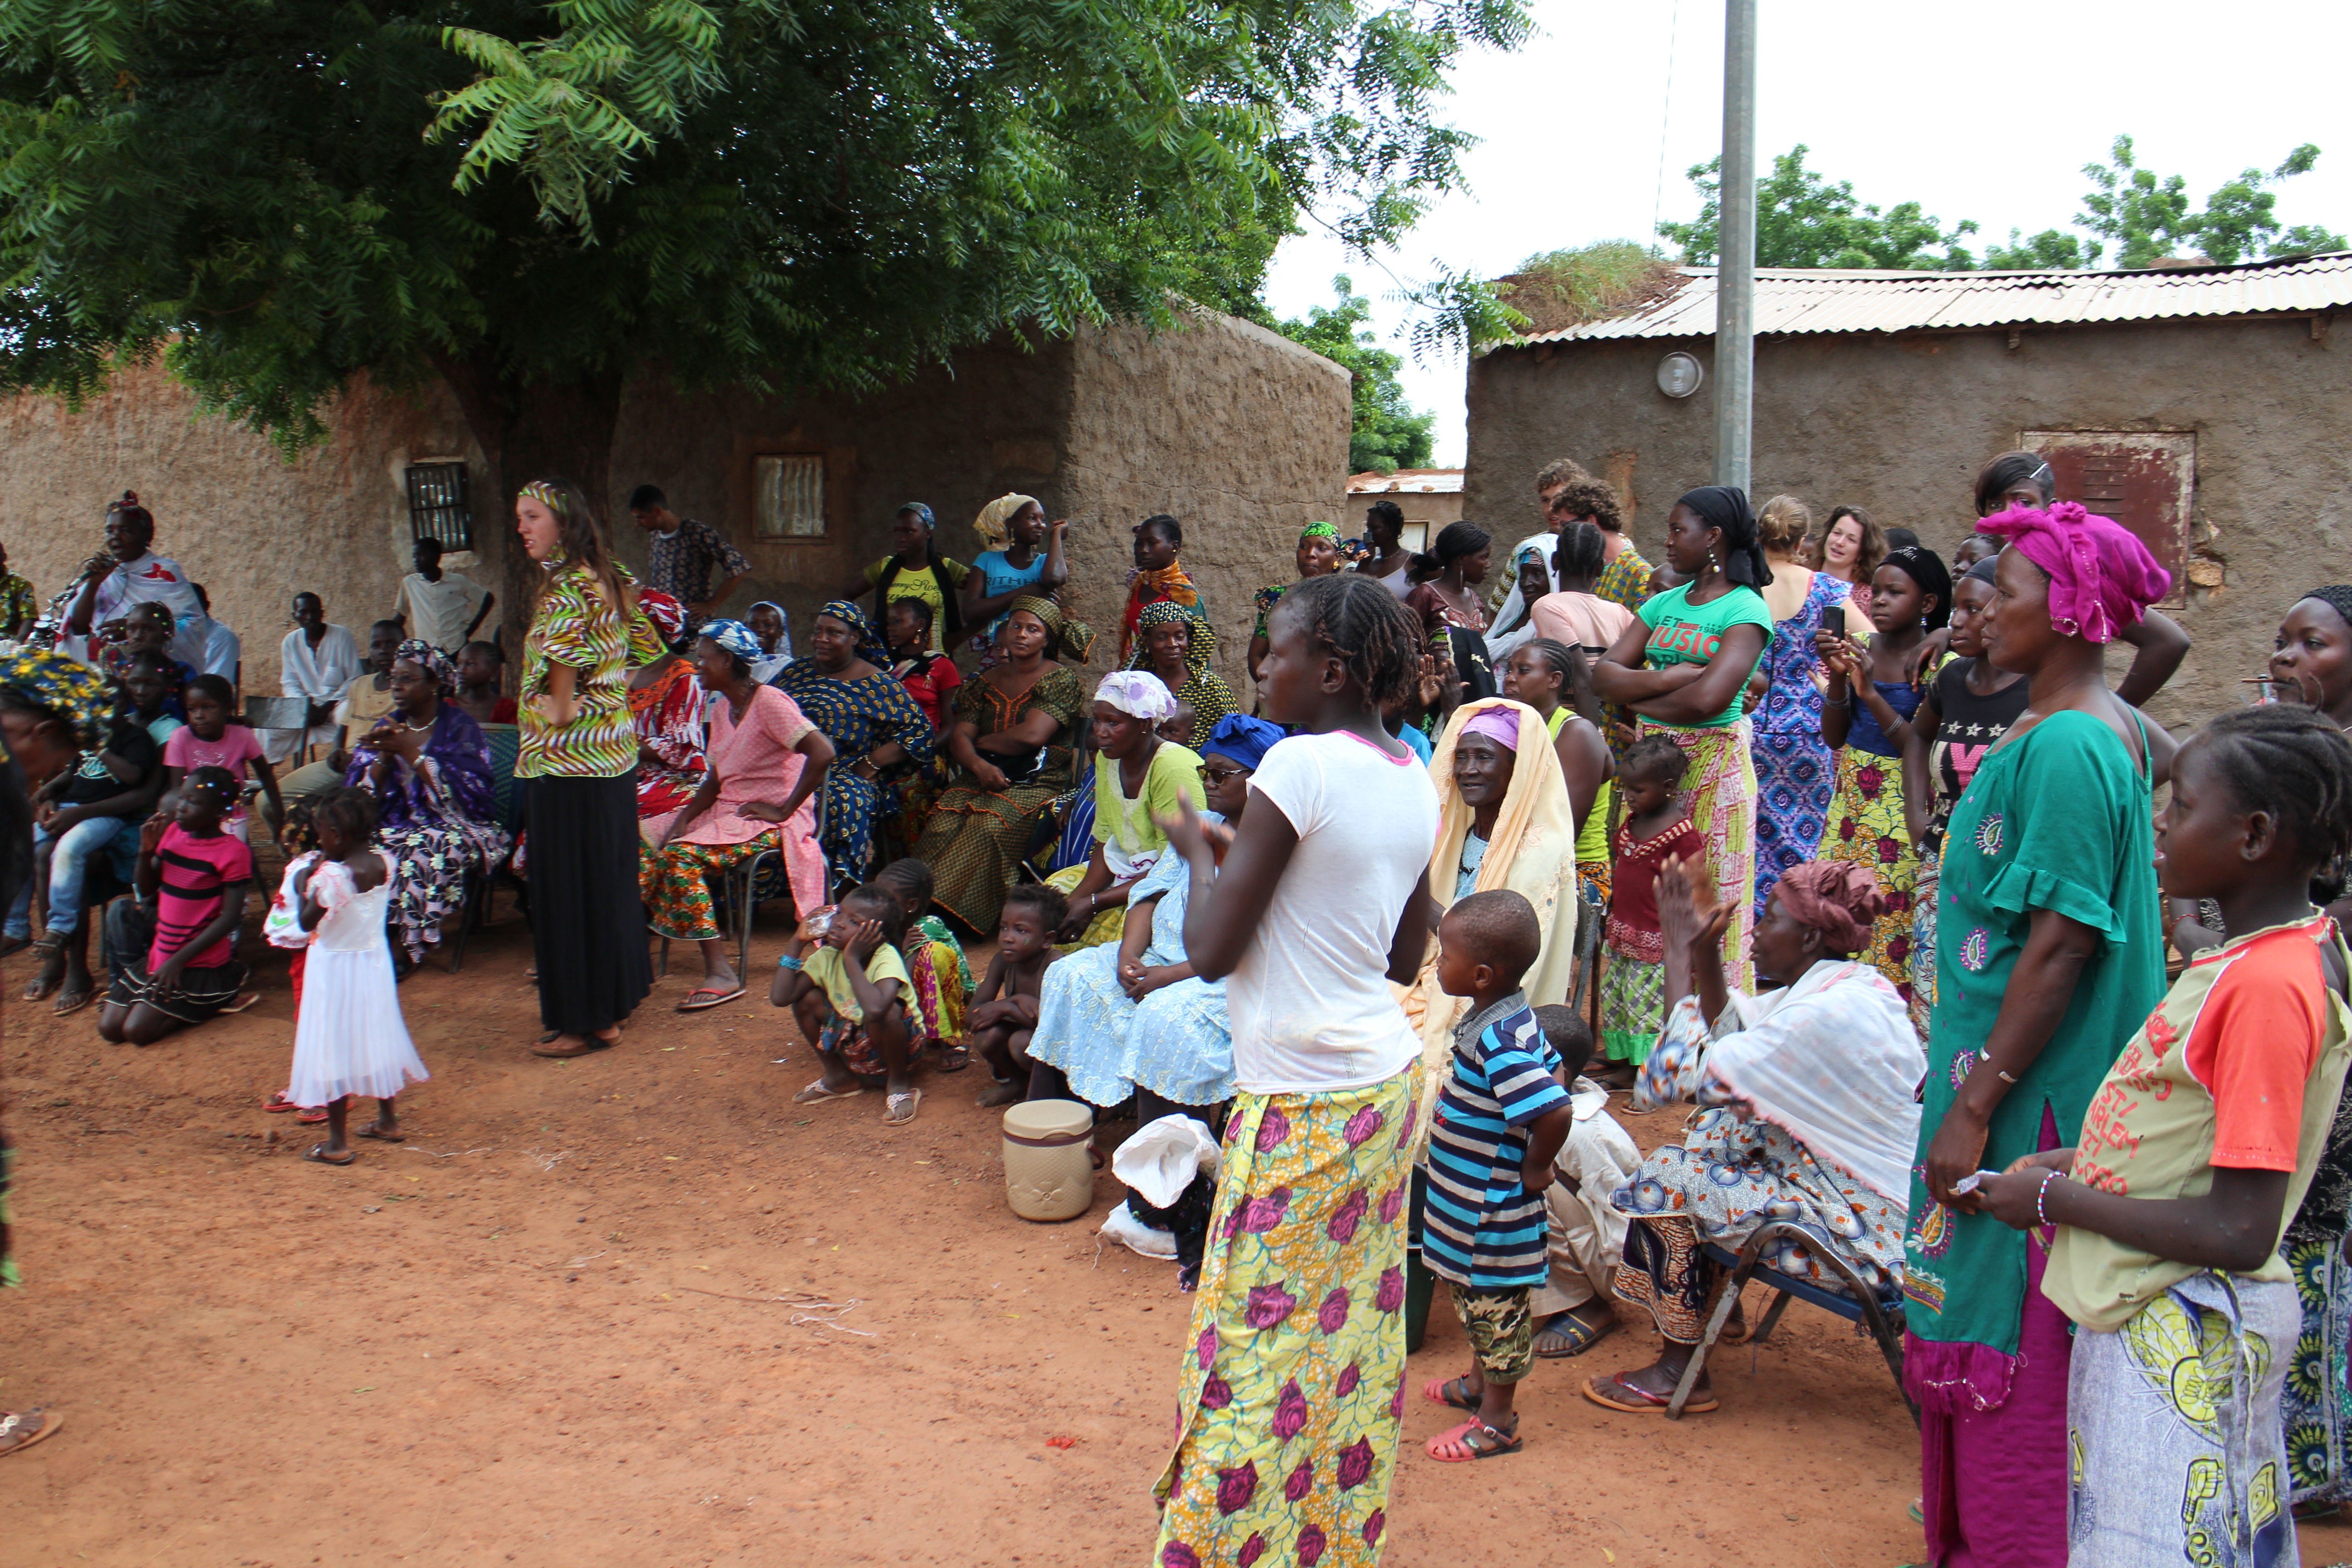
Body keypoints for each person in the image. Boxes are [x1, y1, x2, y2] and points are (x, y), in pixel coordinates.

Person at [1974, 704, 2352, 1564]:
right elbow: (2210, 1136)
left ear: (2252, 835)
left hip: (2181, 1322)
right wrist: (2093, 1159)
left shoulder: (2264, 989)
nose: (2160, 820)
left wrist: (2049, 1196)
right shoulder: (2284, 951)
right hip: (2169, 1311)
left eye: (2181, 805)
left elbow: (2237, 1226)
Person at [1149, 572, 1440, 1567]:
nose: (1261, 666)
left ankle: (1212, 1548)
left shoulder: (1299, 768)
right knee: (1345, 1338)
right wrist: (1250, 866)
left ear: (1332, 669)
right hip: (1384, 1086)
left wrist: (1197, 852)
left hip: (1308, 1102)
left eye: (1274, 651)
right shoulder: (1410, 772)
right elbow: (1402, 955)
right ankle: (1327, 1536)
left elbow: (1215, 950)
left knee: (1253, 1342)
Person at [1905, 500, 2173, 1568]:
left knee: (2013, 1330)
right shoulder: (2077, 727)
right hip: (1997, 1071)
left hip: (2025, 1094)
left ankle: (2007, 1544)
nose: (1979, 610)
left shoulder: (2069, 744)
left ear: (2065, 613)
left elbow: (2059, 946)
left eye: (2003, 593)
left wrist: (1976, 1107)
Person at [1585, 855, 1922, 1415]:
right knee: (1721, 1128)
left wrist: (1676, 949)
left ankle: (1679, 1372)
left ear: (1811, 935)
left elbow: (1668, 1080)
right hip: (1878, 1208)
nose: (1758, 933)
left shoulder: (1822, 1015)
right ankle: (1714, 1301)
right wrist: (1704, 951)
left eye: (1770, 920)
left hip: (1874, 1242)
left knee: (1669, 1175)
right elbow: (1734, 1037)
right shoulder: (1854, 986)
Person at [1023, 713, 1276, 1118]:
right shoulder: (1203, 823)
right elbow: (1147, 894)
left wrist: (1166, 977)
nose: (1208, 783)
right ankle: (1057, 1123)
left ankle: (1168, 1151)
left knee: (1165, 1017)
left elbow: (1249, 947)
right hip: (1157, 958)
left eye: (1221, 775)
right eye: (1205, 772)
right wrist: (1129, 955)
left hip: (1221, 978)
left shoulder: (1270, 848)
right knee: (1069, 975)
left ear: (1261, 781)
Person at [1412, 889, 1576, 1461]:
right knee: (1476, 1305)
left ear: (1480, 975)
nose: (1438, 965)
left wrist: (1535, 1167)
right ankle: (1479, 1386)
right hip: (1471, 1209)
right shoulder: (1501, 1019)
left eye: (1445, 958)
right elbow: (1554, 1071)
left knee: (1496, 1314)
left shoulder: (1499, 1042)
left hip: (1493, 1216)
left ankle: (1497, 1421)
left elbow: (1554, 1106)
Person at [1591, 485, 1776, 987]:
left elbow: (1709, 702)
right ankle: (1651, 1034)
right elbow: (1602, 677)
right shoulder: (1665, 603)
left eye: (1679, 530)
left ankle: (1708, 1036)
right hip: (1655, 773)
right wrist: (1673, 678)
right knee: (1650, 899)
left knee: (1708, 903)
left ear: (1713, 537)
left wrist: (1638, 696)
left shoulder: (1746, 611)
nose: (1668, 542)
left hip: (1715, 778)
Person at [513, 479, 662, 1059]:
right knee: (604, 885)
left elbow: (564, 665)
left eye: (531, 517)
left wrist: (564, 704)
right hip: (610, 761)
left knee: (566, 891)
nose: (523, 527)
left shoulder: (568, 589)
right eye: (520, 518)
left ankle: (580, 1021)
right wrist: (611, 694)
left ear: (563, 523)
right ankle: (605, 1013)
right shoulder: (610, 577)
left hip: (567, 764)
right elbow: (650, 653)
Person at [640, 620, 833, 1010]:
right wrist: (683, 818)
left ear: (727, 660)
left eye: (704, 657)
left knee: (679, 859)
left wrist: (784, 808)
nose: (697, 664)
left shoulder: (771, 703)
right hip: (726, 809)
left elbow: (823, 752)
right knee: (634, 840)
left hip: (764, 820)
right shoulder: (725, 707)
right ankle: (629, 951)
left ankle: (721, 974)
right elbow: (714, 777)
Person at [1397, 700, 1582, 1106]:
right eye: (1461, 757)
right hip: (1439, 970)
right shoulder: (1457, 831)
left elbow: (1502, 946)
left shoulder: (1540, 847)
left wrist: (1416, 898)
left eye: (1485, 757)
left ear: (1517, 769)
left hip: (1487, 993)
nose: (1468, 769)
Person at [1906, 452, 2193, 704]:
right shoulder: (1982, 565)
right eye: (1995, 504)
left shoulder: (2065, 576)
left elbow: (2169, 641)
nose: (2010, 514)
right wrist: (1946, 633)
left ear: (2049, 506)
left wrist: (2117, 707)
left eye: (2023, 501)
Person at [1900, 557, 2029, 1040]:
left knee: (1987, 999)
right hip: (1942, 861)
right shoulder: (1954, 681)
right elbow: (1918, 737)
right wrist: (1919, 816)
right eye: (1956, 609)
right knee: (1931, 995)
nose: (1956, 621)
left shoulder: (2037, 692)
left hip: (2001, 874)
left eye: (1972, 609)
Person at [1816, 544, 1950, 1000]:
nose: (1881, 601)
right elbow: (1835, 737)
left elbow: (1920, 748)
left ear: (1928, 604)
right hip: (1852, 809)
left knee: (1890, 927)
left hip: (1902, 809)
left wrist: (1870, 692)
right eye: (1877, 592)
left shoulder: (1940, 666)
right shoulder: (1863, 649)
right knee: (1837, 917)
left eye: (1897, 592)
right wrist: (1839, 676)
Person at [910, 597, 1090, 936]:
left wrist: (977, 743)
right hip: (981, 775)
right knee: (942, 822)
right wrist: (978, 765)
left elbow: (1032, 736)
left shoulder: (1059, 681)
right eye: (1016, 626)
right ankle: (918, 907)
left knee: (989, 827)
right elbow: (959, 735)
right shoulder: (984, 681)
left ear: (1047, 639)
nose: (1022, 634)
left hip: (1037, 783)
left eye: (1033, 629)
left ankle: (957, 919)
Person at [281, 788, 431, 1165]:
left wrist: (303, 884)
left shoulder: (333, 876)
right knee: (375, 1034)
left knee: (333, 1047)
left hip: (333, 969)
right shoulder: (384, 862)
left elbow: (305, 922)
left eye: (323, 832)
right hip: (372, 964)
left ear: (339, 834)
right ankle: (387, 1120)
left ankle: (336, 1143)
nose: (319, 839)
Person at [345, 640, 514, 970]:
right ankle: (368, 936)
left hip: (459, 825)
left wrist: (412, 752)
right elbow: (360, 800)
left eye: (407, 678)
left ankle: (406, 944)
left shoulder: (460, 727)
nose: (396, 685)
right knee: (367, 845)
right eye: (394, 677)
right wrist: (384, 753)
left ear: (435, 683)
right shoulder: (387, 725)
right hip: (395, 822)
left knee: (422, 848)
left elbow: (472, 795)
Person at [1749, 495, 1865, 916]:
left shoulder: (1743, 589)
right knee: (1804, 846)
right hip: (1807, 734)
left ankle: (1753, 944)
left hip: (1748, 730)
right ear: (1802, 541)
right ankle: (1802, 934)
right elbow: (1871, 641)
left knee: (1749, 847)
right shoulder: (1826, 590)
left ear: (1758, 535)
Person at [774, 600, 938, 896]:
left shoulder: (876, 683)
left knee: (845, 799)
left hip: (843, 773)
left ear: (855, 638)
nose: (821, 639)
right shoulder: (795, 673)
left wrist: (872, 763)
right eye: (818, 631)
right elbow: (764, 711)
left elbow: (919, 731)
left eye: (833, 633)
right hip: (787, 772)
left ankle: (839, 892)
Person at [1042, 671, 1205, 949]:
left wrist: (1094, 903)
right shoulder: (1108, 760)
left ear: (1143, 724)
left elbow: (1176, 867)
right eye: (1098, 720)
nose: (1100, 731)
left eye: (1113, 722)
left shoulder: (1173, 767)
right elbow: (1105, 844)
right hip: (1129, 871)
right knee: (1052, 901)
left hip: (1176, 884)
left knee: (1117, 941)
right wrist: (1075, 903)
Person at [96, 767, 257, 1045]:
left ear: (220, 813)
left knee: (137, 1033)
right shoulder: (173, 834)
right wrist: (144, 853)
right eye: (182, 798)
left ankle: (213, 999)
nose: (181, 808)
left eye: (193, 802)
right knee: (109, 1029)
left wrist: (178, 962)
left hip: (199, 964)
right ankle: (170, 1003)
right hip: (162, 956)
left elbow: (230, 918)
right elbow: (146, 891)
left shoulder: (232, 852)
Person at [1525, 1004, 1643, 1360]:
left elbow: (1621, 1216)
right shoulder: (1551, 1105)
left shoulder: (1580, 1132)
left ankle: (1587, 1303)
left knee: (1521, 1192)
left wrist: (1619, 1281)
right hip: (1588, 1237)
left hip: (1615, 1259)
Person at [772, 882, 922, 1125]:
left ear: (876, 936)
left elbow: (875, 1009)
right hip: (856, 1044)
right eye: (840, 913)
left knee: (887, 1012)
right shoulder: (826, 956)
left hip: (901, 1049)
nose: (839, 923)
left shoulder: (886, 956)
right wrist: (796, 942)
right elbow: (781, 997)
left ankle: (898, 1084)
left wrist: (851, 957)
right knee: (805, 999)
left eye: (855, 922)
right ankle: (840, 1077)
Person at [1597, 736, 1703, 1068]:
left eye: (1638, 790)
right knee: (1617, 997)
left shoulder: (1682, 835)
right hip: (1623, 930)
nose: (1628, 797)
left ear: (1668, 787)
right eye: (1626, 788)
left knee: (1646, 1008)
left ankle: (1641, 1070)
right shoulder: (1632, 822)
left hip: (1655, 940)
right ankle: (1621, 1055)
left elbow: (1695, 889)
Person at [1500, 639, 1615, 906]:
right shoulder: (1513, 725)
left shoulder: (1576, 733)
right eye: (1509, 670)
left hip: (1575, 870)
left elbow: (1561, 831)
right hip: (1520, 855)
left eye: (1523, 670)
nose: (1510, 679)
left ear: (1554, 680)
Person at [62, 492, 206, 667]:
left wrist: (133, 629)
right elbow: (78, 629)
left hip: (149, 676)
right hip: (100, 673)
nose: (115, 536)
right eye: (110, 531)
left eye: (126, 530)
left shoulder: (164, 573)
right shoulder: (103, 574)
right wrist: (93, 584)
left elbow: (193, 626)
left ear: (147, 536)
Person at [966, 884, 1065, 1105]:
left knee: (1021, 1042)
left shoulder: (1056, 966)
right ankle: (1019, 1083)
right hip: (1028, 1034)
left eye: (1021, 931)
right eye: (1004, 928)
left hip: (1060, 1048)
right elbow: (972, 1017)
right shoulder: (1002, 962)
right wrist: (1013, 1004)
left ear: (1047, 939)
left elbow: (1053, 1024)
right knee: (987, 1035)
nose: (1008, 938)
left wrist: (1007, 1008)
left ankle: (1054, 1092)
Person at [875, 858, 973, 1073]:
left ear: (911, 905)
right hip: (908, 1000)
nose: (877, 902)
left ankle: (950, 1042)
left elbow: (903, 982)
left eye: (886, 898)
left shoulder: (927, 928)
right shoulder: (884, 928)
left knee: (931, 955)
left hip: (952, 1006)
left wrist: (904, 953)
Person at [623, 589, 709, 830]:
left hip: (671, 778)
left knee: (609, 808)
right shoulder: (619, 674)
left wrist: (615, 746)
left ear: (657, 631)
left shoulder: (684, 678)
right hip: (621, 770)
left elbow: (678, 749)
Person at [163, 674, 283, 846]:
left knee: (229, 856)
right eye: (192, 709)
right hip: (192, 816)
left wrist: (279, 815)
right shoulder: (180, 738)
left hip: (231, 816)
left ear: (227, 709)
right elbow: (178, 790)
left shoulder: (242, 736)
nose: (199, 715)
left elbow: (266, 775)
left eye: (208, 707)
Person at [843, 502, 967, 657]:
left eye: (909, 531)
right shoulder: (885, 568)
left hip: (935, 665)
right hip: (892, 661)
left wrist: (960, 636)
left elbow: (985, 591)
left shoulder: (945, 568)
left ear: (927, 533)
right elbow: (846, 595)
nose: (901, 538)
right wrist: (861, 633)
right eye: (897, 532)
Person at [629, 484, 750, 629]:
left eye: (641, 517)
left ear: (657, 511)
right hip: (665, 626)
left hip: (693, 626)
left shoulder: (698, 533)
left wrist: (711, 605)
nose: (637, 524)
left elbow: (739, 567)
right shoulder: (656, 538)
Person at [1404, 522, 1498, 707]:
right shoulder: (1425, 595)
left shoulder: (1474, 599)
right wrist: (1438, 664)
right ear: (1462, 559)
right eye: (1484, 558)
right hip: (1433, 698)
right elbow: (1402, 650)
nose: (1488, 565)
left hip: (1472, 697)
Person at [964, 494, 1070, 654]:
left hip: (1036, 655)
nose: (1040, 525)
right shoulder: (987, 560)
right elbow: (970, 612)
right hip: (999, 653)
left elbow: (1055, 579)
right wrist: (1025, 593)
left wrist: (1057, 536)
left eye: (1043, 520)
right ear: (1011, 523)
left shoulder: (1044, 563)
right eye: (1032, 518)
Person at [263, 593, 362, 765]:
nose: (310, 617)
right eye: (303, 612)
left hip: (338, 703)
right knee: (267, 726)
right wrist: (306, 705)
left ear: (322, 613)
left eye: (315, 612)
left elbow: (355, 679)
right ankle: (267, 776)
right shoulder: (291, 642)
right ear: (295, 616)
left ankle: (349, 767)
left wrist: (327, 707)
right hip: (305, 706)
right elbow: (290, 683)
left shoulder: (341, 635)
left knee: (350, 717)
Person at [1129, 601, 1234, 752]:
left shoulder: (1211, 687)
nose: (1172, 644)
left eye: (1179, 636)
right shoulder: (1137, 686)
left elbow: (1232, 739)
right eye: (1162, 637)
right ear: (1147, 642)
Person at [1248, 522, 1345, 686]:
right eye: (1304, 546)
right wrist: (1275, 690)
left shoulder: (1345, 600)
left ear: (1337, 558)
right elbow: (1257, 654)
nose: (1310, 554)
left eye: (1322, 548)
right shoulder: (1276, 598)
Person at [1120, 514, 1205, 663]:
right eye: (1139, 543)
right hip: (1135, 675)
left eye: (1152, 543)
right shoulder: (1140, 585)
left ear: (1174, 547)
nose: (1144, 550)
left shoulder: (1185, 595)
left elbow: (1198, 651)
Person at [394, 536, 495, 655]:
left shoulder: (457, 581)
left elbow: (487, 599)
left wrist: (471, 629)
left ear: (436, 556)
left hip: (456, 647)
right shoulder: (410, 583)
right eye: (414, 556)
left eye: (421, 555)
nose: (416, 560)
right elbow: (400, 617)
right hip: (427, 651)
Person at [886, 598, 962, 737]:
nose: (890, 628)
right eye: (889, 623)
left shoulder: (942, 666)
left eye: (898, 621)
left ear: (920, 624)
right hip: (882, 749)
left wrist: (925, 751)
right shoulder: (883, 664)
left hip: (926, 747)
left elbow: (950, 725)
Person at [1806, 503, 1884, 590]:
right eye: (1837, 533)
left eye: (1851, 539)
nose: (1840, 542)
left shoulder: (1867, 598)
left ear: (1862, 553)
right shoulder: (1800, 579)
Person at [1352, 499, 1416, 598]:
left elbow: (1444, 585)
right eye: (1368, 528)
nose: (1369, 533)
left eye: (1375, 528)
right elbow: (1352, 594)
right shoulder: (1370, 563)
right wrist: (1364, 564)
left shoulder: (1413, 562)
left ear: (1390, 529)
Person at [450, 640, 516, 726]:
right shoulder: (448, 707)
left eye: (470, 664)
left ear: (494, 670)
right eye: (459, 664)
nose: (461, 671)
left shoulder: (507, 709)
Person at [187, 583, 240, 683]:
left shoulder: (223, 638)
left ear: (206, 606)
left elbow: (213, 685)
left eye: (193, 606)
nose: (187, 612)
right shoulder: (175, 635)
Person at [745, 601, 793, 683]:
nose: (760, 629)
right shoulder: (733, 663)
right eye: (753, 623)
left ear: (780, 633)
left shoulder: (787, 667)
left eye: (768, 625)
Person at [0, 542, 36, 642]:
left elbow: (29, 618)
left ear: (4, 557)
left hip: (6, 643)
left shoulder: (20, 584)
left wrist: (17, 643)